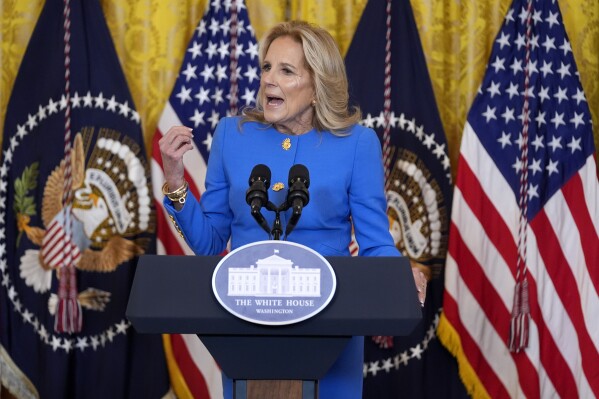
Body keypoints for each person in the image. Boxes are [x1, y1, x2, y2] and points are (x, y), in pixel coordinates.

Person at [159, 20, 428, 399]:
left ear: (318, 86)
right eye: (267, 67)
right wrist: (174, 180)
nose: (269, 79)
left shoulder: (356, 144)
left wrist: (402, 273)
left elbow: (375, 244)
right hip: (247, 320)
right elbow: (209, 242)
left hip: (330, 324)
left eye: (286, 71)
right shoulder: (231, 136)